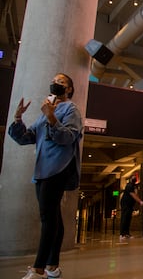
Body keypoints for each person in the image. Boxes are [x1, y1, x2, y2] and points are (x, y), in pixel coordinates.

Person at [8, 73, 83, 279]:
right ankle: (52, 266)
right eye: (54, 81)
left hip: (58, 168)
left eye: (61, 82)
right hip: (42, 169)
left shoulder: (71, 109)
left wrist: (52, 117)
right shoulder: (45, 111)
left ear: (68, 89)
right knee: (54, 217)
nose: (55, 84)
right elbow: (26, 137)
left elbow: (68, 137)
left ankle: (39, 267)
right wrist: (17, 118)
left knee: (47, 217)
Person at [120, 176, 143, 241]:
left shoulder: (134, 186)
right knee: (124, 218)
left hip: (130, 205)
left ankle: (127, 233)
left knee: (128, 219)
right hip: (125, 204)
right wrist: (140, 201)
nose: (135, 179)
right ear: (130, 179)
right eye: (133, 178)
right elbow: (133, 195)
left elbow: (136, 194)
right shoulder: (129, 186)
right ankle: (122, 234)